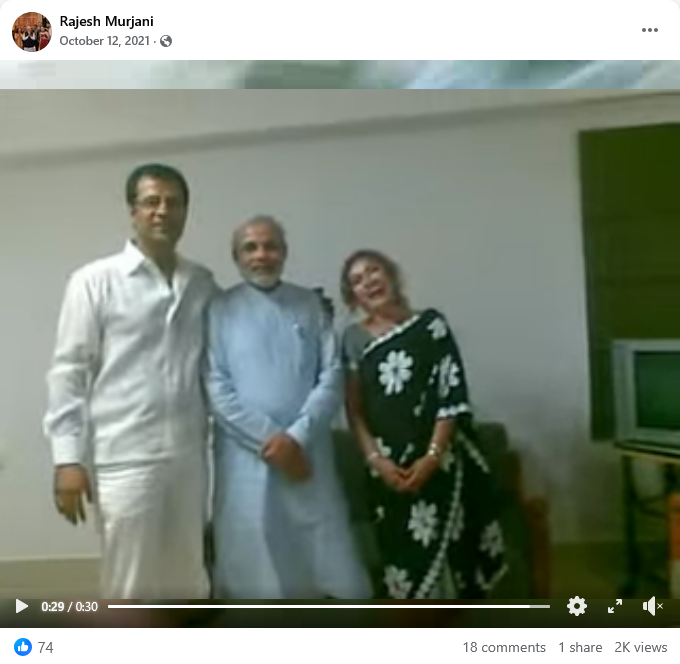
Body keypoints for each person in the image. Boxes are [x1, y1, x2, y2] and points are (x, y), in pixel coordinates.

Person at [44, 163, 215, 599]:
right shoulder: (94, 281)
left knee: (188, 576)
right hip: (125, 457)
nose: (162, 211)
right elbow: (69, 371)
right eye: (151, 201)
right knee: (130, 583)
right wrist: (67, 460)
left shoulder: (200, 283)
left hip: (188, 456)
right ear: (133, 211)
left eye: (173, 203)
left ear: (185, 212)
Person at [204, 215, 372, 599]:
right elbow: (215, 385)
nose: (261, 255)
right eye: (250, 247)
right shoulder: (218, 309)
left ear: (284, 252)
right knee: (253, 555)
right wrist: (271, 440)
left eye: (271, 246)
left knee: (323, 551)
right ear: (236, 256)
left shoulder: (310, 304)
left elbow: (331, 375)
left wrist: (295, 438)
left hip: (307, 451)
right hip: (247, 456)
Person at [340, 249, 507, 599]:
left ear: (392, 275)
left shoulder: (431, 326)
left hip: (440, 463)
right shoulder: (353, 339)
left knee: (452, 571)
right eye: (357, 280)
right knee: (404, 570)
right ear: (352, 296)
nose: (368, 282)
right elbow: (355, 411)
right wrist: (377, 461)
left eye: (374, 271)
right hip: (387, 470)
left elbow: (451, 393)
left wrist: (432, 456)